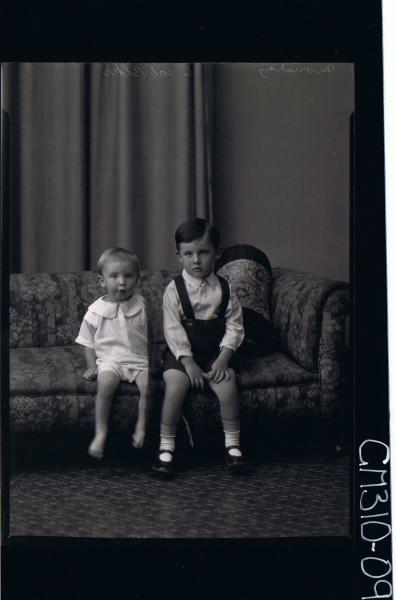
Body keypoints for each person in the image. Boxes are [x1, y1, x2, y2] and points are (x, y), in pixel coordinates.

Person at [152, 218, 246, 476]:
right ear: (178, 255)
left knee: (228, 386)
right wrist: (189, 363)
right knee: (175, 385)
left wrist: (223, 360)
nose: (196, 260)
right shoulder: (174, 291)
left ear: (217, 252)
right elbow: (172, 331)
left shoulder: (226, 290)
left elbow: (235, 327)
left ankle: (232, 445)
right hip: (182, 356)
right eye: (188, 254)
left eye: (203, 252)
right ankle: (166, 446)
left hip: (215, 354)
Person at [76, 247, 150, 459]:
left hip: (139, 360)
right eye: (114, 276)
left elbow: (152, 336)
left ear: (137, 278)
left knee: (148, 388)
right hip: (110, 361)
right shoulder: (95, 310)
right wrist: (92, 365)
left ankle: (141, 428)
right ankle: (100, 433)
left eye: (128, 276)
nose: (121, 282)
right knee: (106, 384)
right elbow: (87, 341)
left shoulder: (143, 306)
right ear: (102, 281)